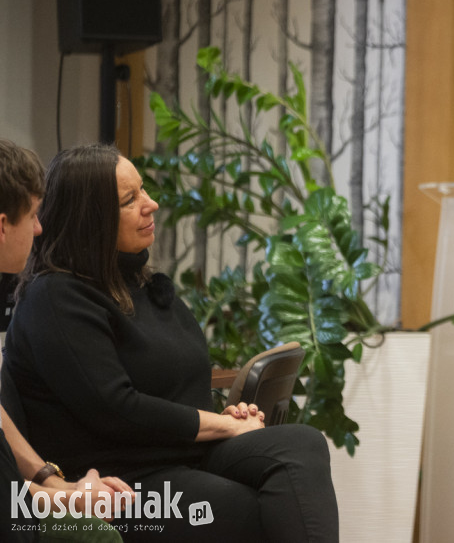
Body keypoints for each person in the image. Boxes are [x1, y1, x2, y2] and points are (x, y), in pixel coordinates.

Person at [2, 143, 338, 542]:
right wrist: (222, 426)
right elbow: (118, 408)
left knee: (302, 445)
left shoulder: (142, 285)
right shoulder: (57, 296)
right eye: (131, 199)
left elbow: (179, 385)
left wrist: (226, 416)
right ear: (92, 219)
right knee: (252, 507)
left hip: (181, 456)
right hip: (122, 478)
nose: (152, 204)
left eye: (143, 190)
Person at [1, 139, 130, 542]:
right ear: (3, 226)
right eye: (34, 216)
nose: (40, 228)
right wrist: (63, 499)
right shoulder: (50, 297)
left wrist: (56, 485)